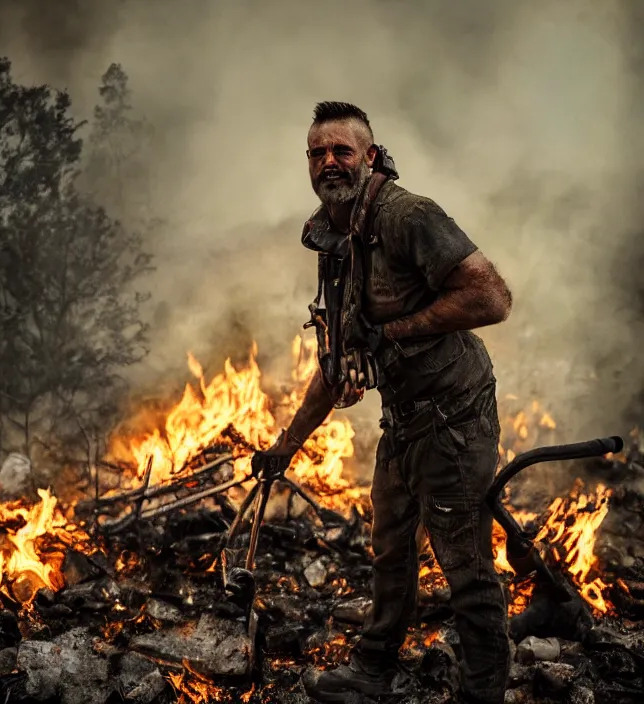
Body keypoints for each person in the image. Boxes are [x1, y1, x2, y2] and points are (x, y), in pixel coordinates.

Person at [254, 102, 513, 703]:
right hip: (403, 421)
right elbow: (336, 360)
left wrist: (394, 333)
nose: (328, 162)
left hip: (456, 416)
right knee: (390, 550)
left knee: (465, 567)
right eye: (317, 153)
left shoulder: (409, 217)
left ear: (370, 156)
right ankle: (373, 670)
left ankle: (483, 693)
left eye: (342, 150)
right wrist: (284, 449)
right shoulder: (334, 236)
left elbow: (492, 298)